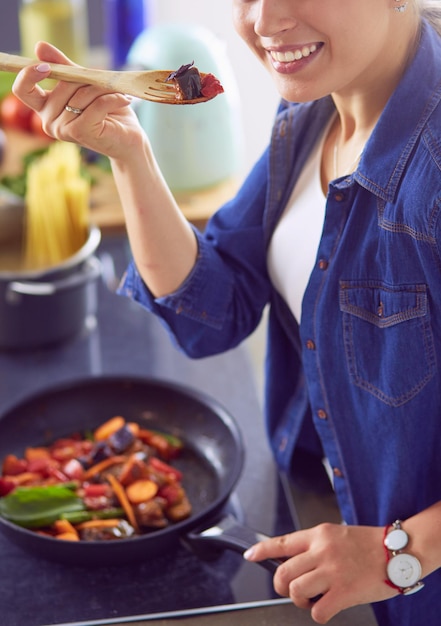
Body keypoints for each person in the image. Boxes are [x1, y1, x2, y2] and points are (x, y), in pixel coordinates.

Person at [11, 0, 441, 624]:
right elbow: (213, 309)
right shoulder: (314, 104)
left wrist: (397, 553)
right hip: (333, 514)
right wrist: (128, 152)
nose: (265, 22)